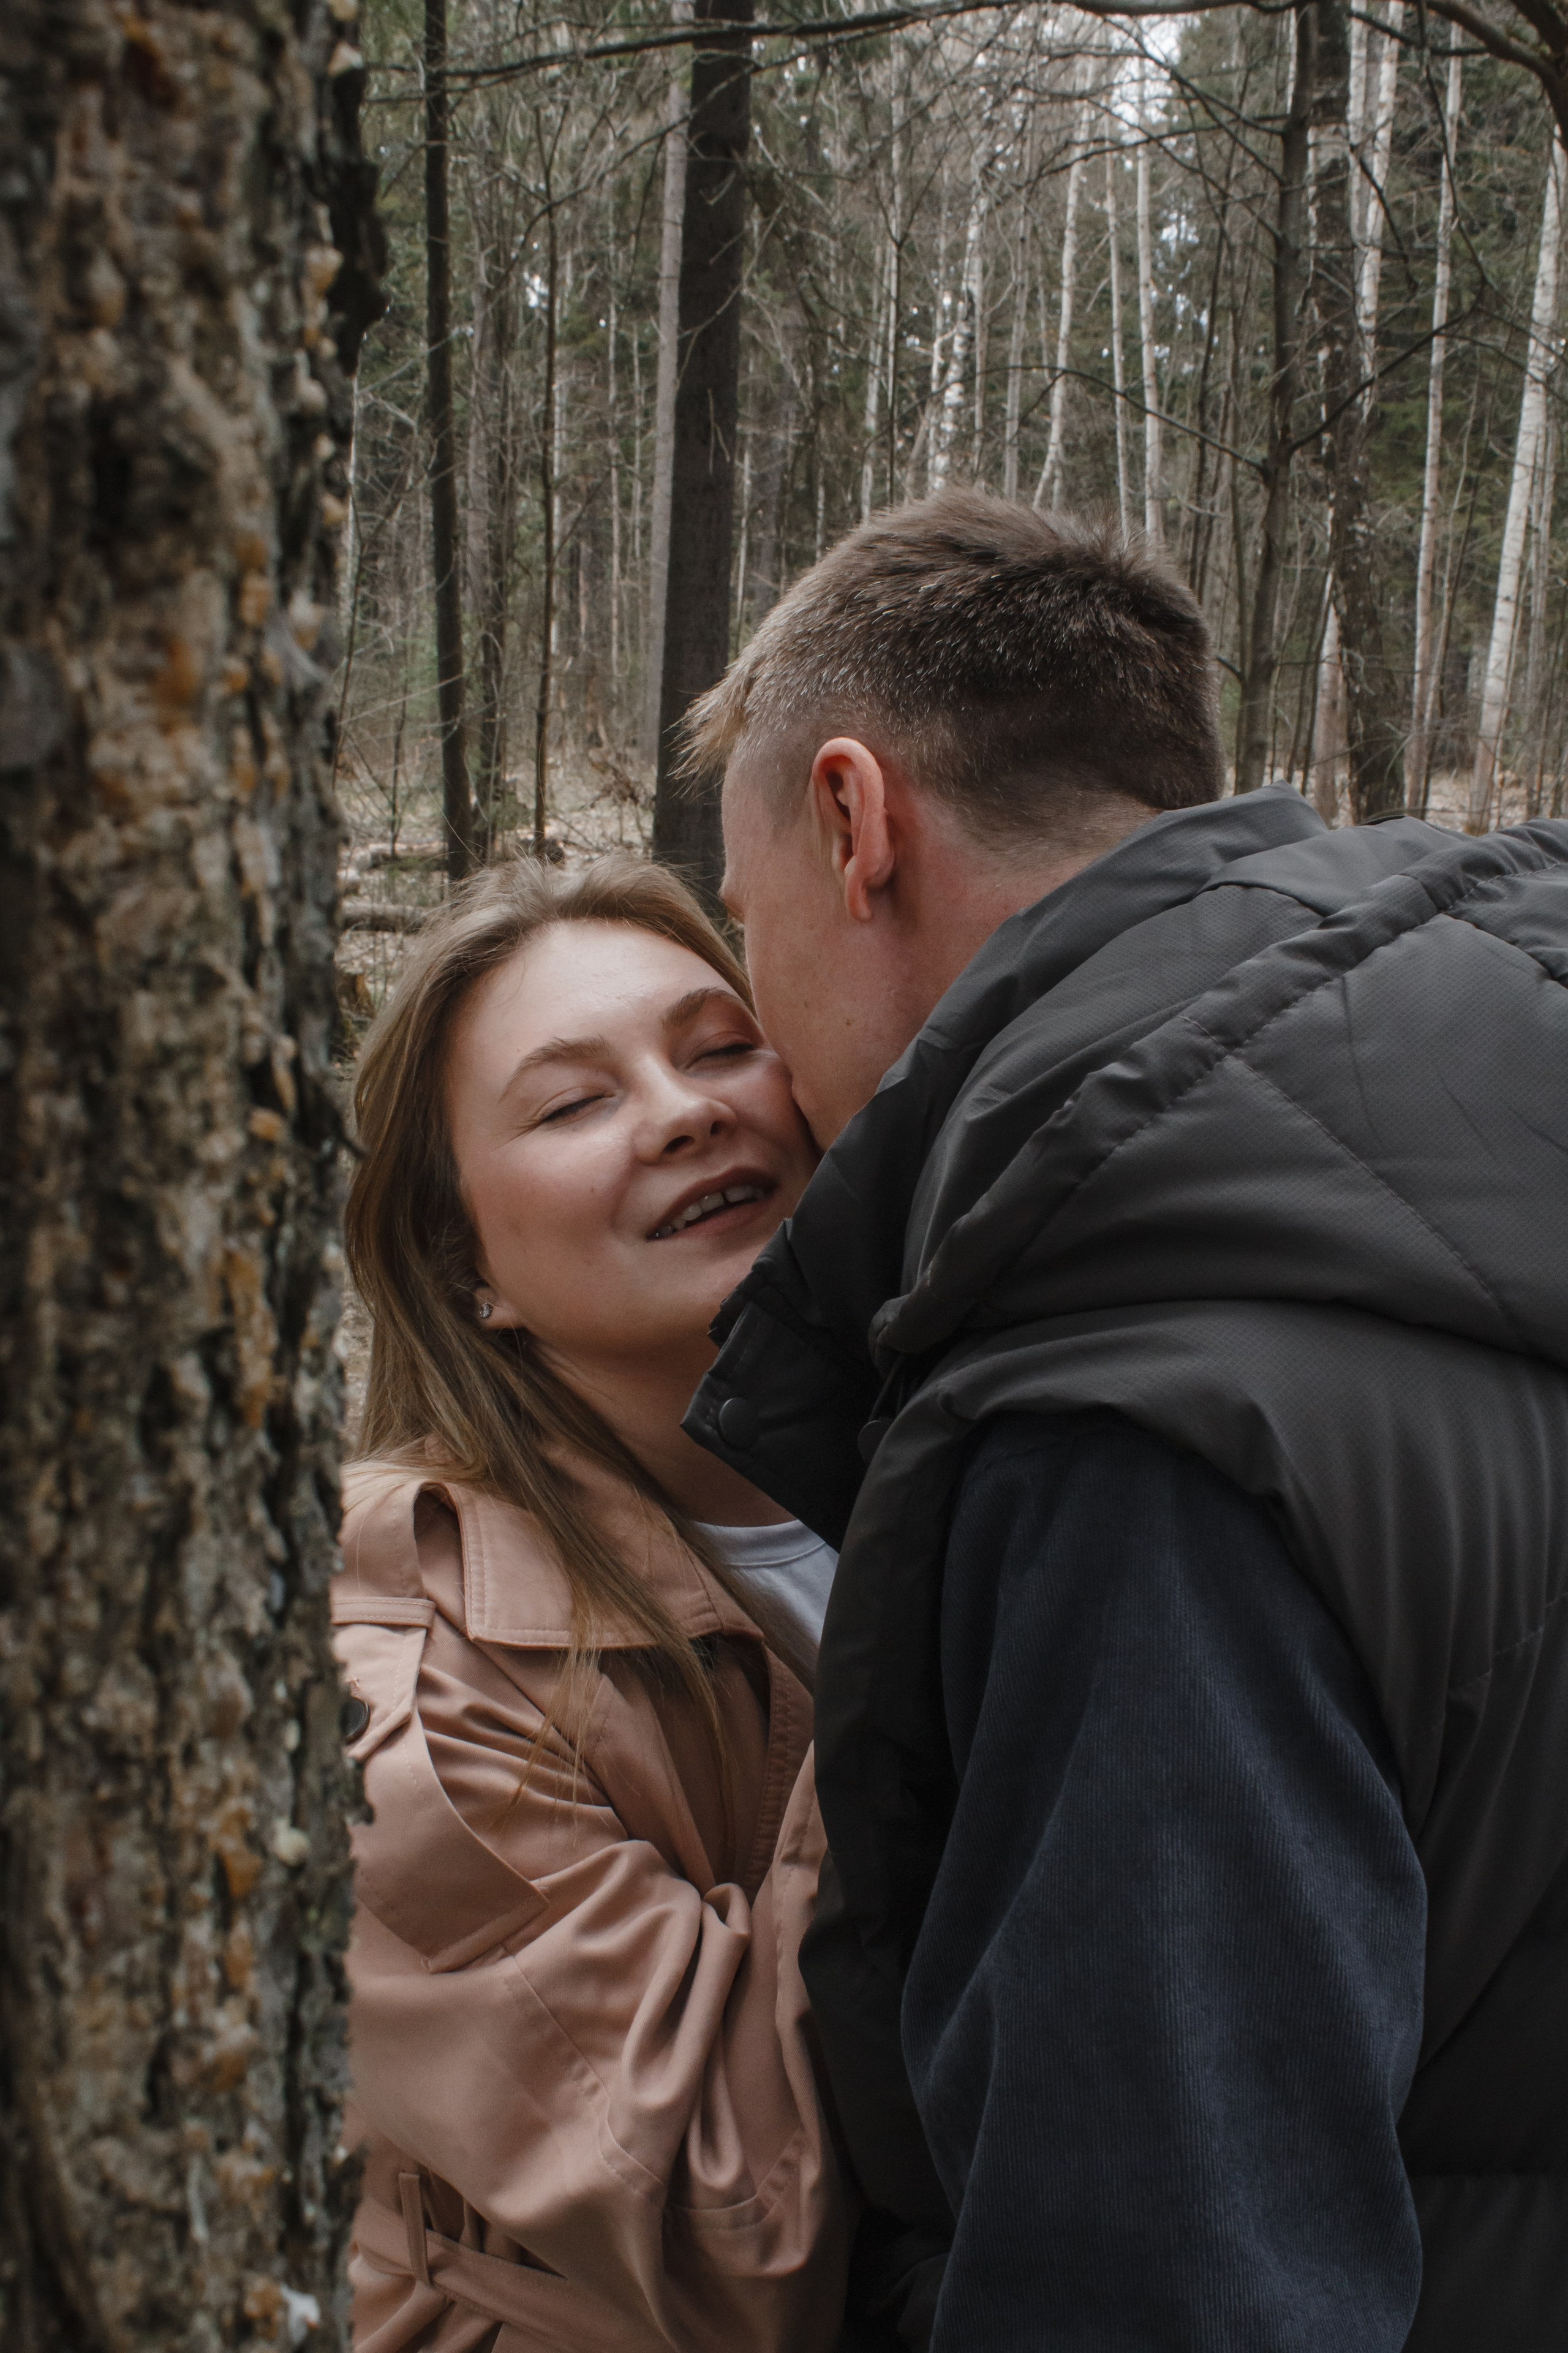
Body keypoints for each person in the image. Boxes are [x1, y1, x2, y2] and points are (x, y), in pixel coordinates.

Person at [680, 488, 1568, 2352]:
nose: (760, 1053)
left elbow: (1166, 2275)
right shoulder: (1501, 1066)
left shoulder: (1131, 1405)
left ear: (856, 824)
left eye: (743, 931)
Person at [335, 853, 849, 2352]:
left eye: (716, 1046)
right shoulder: (401, 1665)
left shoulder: (960, 1448)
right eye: (571, 1105)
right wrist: (933, 1591)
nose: (687, 1111)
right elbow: (741, 2223)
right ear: (463, 1265)